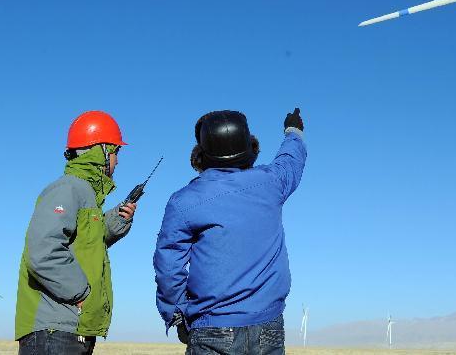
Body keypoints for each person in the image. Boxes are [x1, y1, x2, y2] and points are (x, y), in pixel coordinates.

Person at [155, 108, 307, 355]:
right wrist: (293, 130)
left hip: (211, 328)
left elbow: (169, 267)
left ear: (201, 154)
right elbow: (291, 159)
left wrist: (178, 314)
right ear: (250, 148)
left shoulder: (183, 201)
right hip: (268, 329)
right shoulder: (272, 183)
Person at [15, 111, 139, 354]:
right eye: (115, 152)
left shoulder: (86, 195)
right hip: (54, 330)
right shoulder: (68, 188)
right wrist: (82, 294)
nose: (117, 161)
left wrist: (115, 222)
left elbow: (84, 245)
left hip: (69, 329)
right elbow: (42, 251)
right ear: (100, 151)